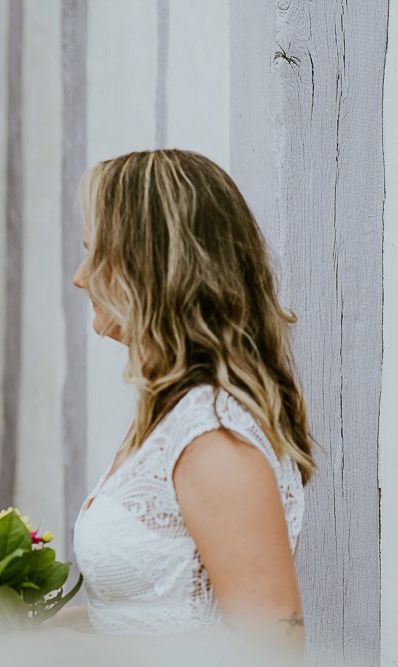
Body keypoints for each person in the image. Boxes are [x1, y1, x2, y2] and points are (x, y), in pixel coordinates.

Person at [65, 149, 314, 659]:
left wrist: (69, 654)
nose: (80, 276)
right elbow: (143, 616)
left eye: (95, 253)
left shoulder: (213, 437)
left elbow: (271, 646)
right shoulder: (170, 416)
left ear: (151, 266)